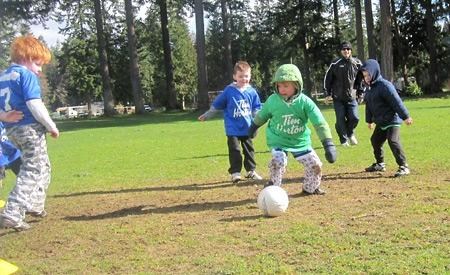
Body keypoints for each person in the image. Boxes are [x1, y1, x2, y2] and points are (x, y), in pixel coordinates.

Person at [0, 35, 60, 231]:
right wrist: (51, 125)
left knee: (43, 165)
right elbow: (35, 104)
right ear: (26, 57)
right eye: (37, 63)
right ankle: (13, 210)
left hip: (12, 130)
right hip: (29, 129)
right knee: (33, 169)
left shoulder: (4, 76)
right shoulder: (26, 76)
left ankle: (35, 203)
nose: (39, 69)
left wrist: (3, 116)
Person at [248, 64, 337, 195]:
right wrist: (253, 127)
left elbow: (319, 123)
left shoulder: (305, 102)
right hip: (278, 139)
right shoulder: (273, 100)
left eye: (286, 86)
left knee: (315, 165)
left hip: (300, 141)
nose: (281, 89)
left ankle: (310, 188)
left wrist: (328, 144)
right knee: (278, 161)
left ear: (296, 85)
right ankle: (273, 186)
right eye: (279, 86)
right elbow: (262, 115)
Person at [198, 61, 263, 183]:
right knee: (235, 150)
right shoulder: (229, 91)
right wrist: (207, 115)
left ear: (250, 76)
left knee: (249, 150)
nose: (244, 79)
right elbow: (217, 105)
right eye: (240, 76)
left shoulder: (252, 92)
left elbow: (256, 109)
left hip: (247, 127)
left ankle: (251, 171)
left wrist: (257, 123)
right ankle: (235, 173)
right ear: (234, 77)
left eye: (246, 76)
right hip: (232, 128)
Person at [361, 59, 413, 177]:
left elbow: (396, 101)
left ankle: (404, 166)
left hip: (392, 120)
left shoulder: (385, 85)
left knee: (393, 140)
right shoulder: (369, 88)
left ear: (374, 72)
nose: (366, 77)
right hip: (381, 121)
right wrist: (369, 120)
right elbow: (368, 105)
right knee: (375, 140)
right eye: (364, 75)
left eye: (368, 74)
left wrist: (405, 116)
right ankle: (380, 164)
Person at [324, 41, 363, 146]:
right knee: (340, 119)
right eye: (344, 49)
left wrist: (361, 93)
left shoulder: (357, 63)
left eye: (348, 49)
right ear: (341, 51)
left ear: (351, 51)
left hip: (352, 97)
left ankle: (350, 133)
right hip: (338, 98)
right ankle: (344, 140)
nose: (346, 51)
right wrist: (328, 94)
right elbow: (328, 79)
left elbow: (361, 80)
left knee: (355, 118)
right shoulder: (335, 63)